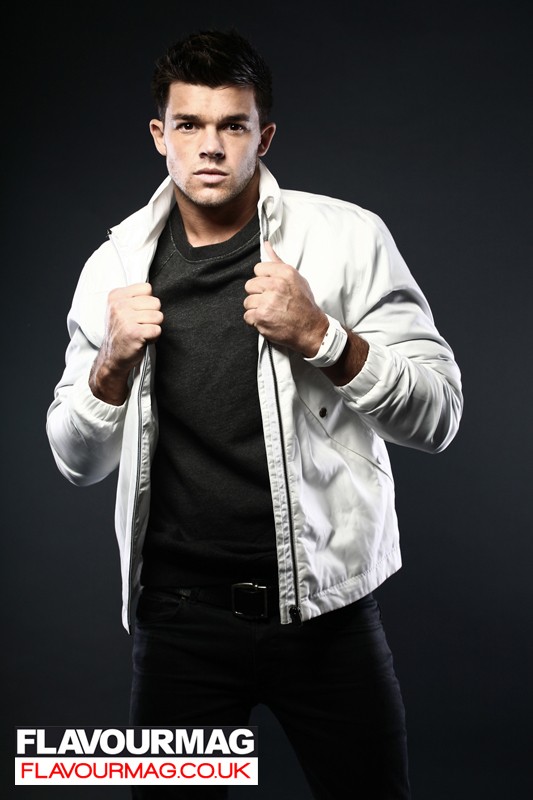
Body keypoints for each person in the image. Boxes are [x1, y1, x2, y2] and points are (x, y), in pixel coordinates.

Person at [46, 28, 463, 799]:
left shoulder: (347, 239)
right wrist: (111, 365)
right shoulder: (113, 268)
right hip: (178, 624)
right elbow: (75, 461)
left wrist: (322, 336)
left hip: (327, 616)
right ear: (159, 135)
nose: (210, 146)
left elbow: (437, 416)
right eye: (189, 124)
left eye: (232, 125)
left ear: (262, 137)